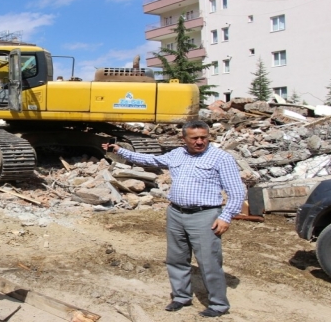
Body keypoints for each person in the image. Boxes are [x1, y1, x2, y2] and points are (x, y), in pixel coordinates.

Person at [102, 120, 245, 318]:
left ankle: (218, 305)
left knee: (209, 262)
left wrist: (226, 216)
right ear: (184, 139)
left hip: (205, 215)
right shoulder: (177, 154)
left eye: (204, 137)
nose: (200, 141)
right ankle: (181, 297)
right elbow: (152, 160)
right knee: (176, 259)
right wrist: (120, 150)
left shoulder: (221, 158)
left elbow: (237, 192)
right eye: (194, 138)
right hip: (176, 213)